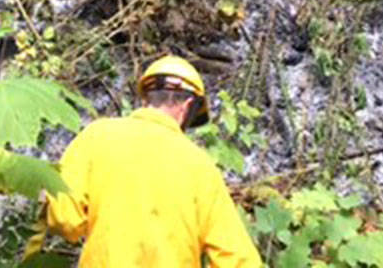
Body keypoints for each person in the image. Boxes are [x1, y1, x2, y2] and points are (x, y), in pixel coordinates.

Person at [41, 55, 262, 268]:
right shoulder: (200, 166)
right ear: (187, 106)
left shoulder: (96, 136)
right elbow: (238, 260)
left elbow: (65, 221)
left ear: (145, 97)